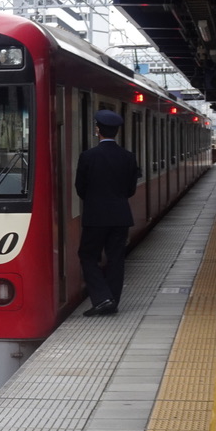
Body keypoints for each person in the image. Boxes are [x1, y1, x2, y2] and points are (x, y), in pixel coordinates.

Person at [75, 110, 141, 316]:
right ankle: (112, 300)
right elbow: (131, 189)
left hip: (95, 217)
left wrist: (95, 201)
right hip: (121, 217)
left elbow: (80, 188)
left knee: (88, 256)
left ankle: (103, 298)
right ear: (117, 132)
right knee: (116, 259)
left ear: (97, 130)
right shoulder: (128, 157)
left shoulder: (87, 157)